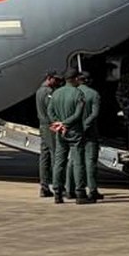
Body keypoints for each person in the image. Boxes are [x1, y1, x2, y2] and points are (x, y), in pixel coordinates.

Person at [47, 72, 89, 203]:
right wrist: (65, 123)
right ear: (75, 79)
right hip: (74, 131)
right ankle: (80, 192)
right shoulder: (78, 94)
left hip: (60, 132)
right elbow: (78, 114)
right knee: (78, 161)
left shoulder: (56, 93)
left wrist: (58, 123)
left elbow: (50, 111)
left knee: (59, 161)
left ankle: (57, 192)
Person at [73, 71, 104, 203]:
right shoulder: (94, 94)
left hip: (75, 132)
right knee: (90, 162)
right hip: (90, 133)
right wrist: (86, 124)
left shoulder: (72, 93)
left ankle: (78, 190)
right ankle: (92, 190)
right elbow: (95, 113)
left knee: (76, 162)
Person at [34, 71, 60, 198]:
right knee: (55, 155)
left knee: (44, 156)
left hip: (42, 125)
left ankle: (44, 186)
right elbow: (51, 110)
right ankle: (58, 186)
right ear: (49, 78)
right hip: (49, 126)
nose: (58, 82)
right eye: (56, 80)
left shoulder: (39, 91)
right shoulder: (48, 92)